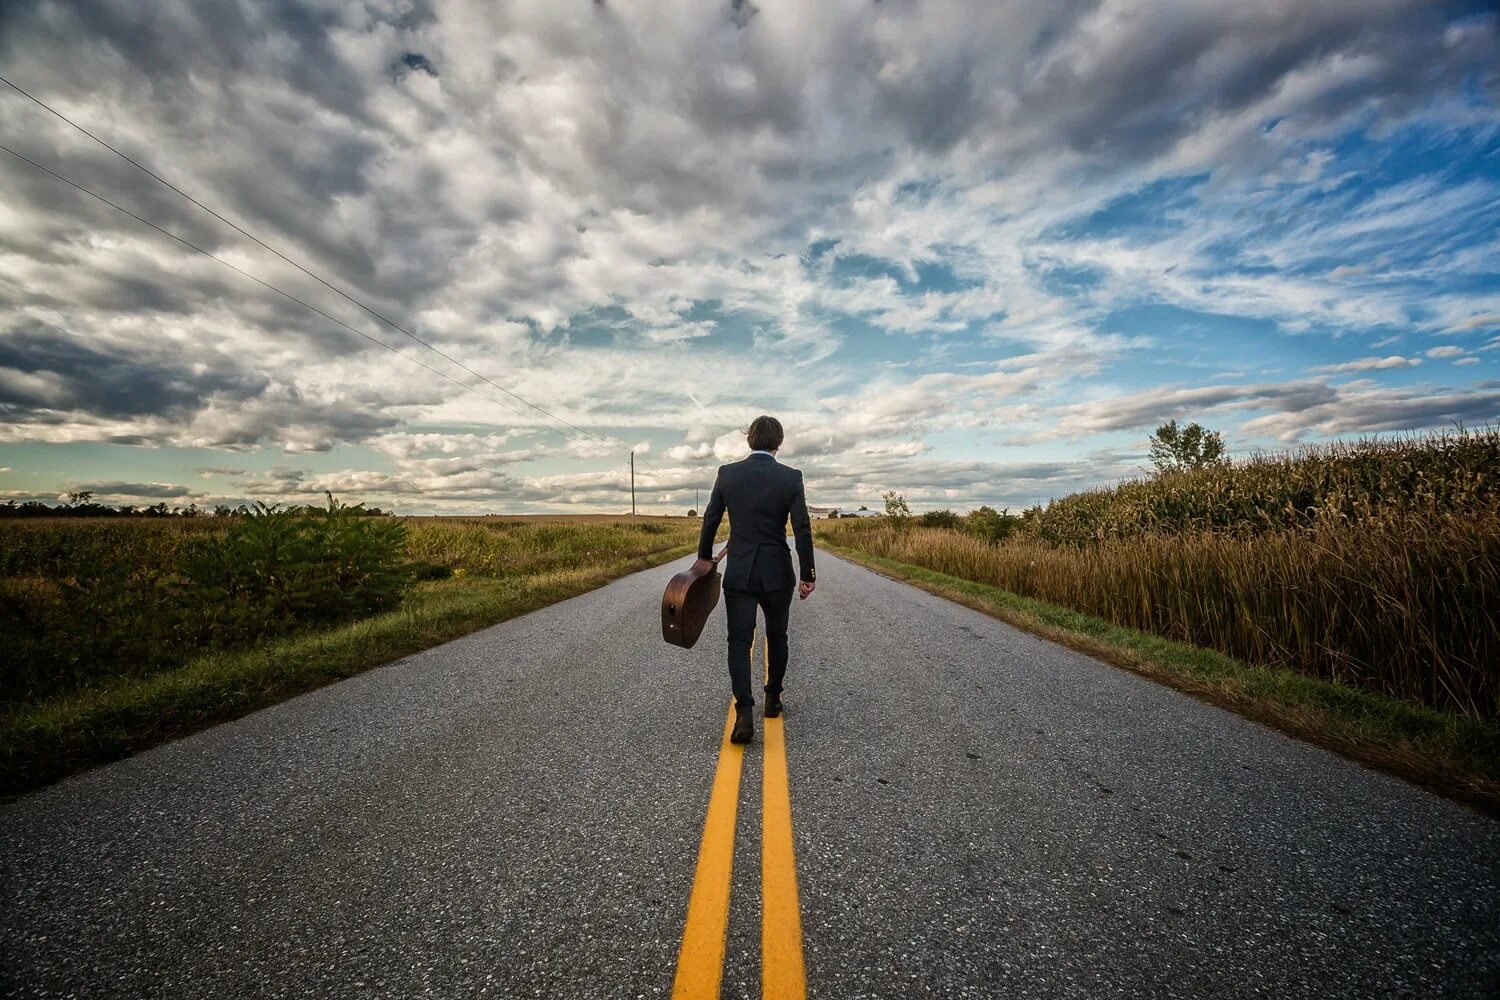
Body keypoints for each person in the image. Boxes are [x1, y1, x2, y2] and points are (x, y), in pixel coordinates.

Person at [694, 415, 816, 744]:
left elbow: (710, 518)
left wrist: (705, 557)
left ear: (750, 439)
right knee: (777, 637)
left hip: (740, 571)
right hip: (777, 572)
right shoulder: (790, 477)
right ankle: (773, 699)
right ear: (779, 442)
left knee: (739, 641)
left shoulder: (728, 474)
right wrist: (808, 574)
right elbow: (802, 528)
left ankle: (744, 712)